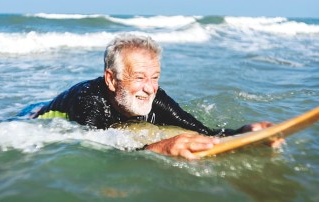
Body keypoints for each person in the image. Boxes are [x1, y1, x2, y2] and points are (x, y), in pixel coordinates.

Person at [33, 34, 281, 160]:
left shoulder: (155, 97)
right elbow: (98, 152)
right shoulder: (88, 101)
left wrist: (244, 132)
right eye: (139, 77)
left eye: (155, 77)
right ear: (111, 79)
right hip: (38, 117)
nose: (150, 88)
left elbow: (202, 130)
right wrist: (157, 148)